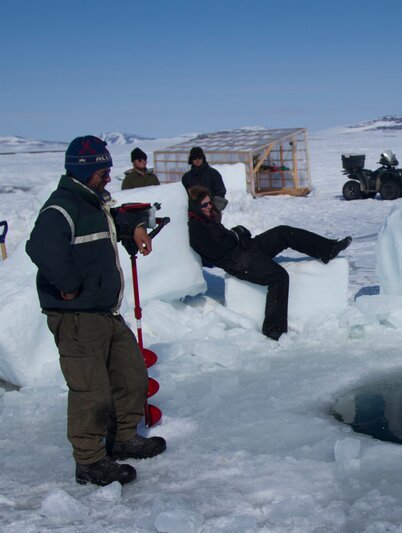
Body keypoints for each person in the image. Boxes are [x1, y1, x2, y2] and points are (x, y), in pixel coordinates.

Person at [26, 135, 167, 486]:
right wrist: (69, 285)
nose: (108, 176)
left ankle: (122, 438)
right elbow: (40, 247)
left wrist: (133, 228)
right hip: (76, 316)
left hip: (103, 311)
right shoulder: (62, 206)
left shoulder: (92, 202)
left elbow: (111, 221)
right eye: (102, 171)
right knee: (92, 390)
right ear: (82, 170)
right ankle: (89, 460)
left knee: (131, 374)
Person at [186, 185, 352, 340]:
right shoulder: (196, 228)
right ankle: (273, 330)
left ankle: (327, 249)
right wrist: (236, 235)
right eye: (203, 205)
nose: (208, 207)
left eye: (209, 203)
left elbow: (223, 238)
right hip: (238, 262)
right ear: (194, 207)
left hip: (243, 249)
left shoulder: (207, 219)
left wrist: (236, 235)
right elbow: (215, 251)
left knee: (282, 233)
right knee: (278, 277)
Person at [182, 146, 227, 211]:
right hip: (194, 213)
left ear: (203, 158)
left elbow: (220, 192)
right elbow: (184, 196)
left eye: (199, 157)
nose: (197, 160)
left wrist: (214, 209)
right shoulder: (186, 177)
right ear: (191, 159)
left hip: (211, 211)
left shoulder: (213, 174)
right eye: (195, 158)